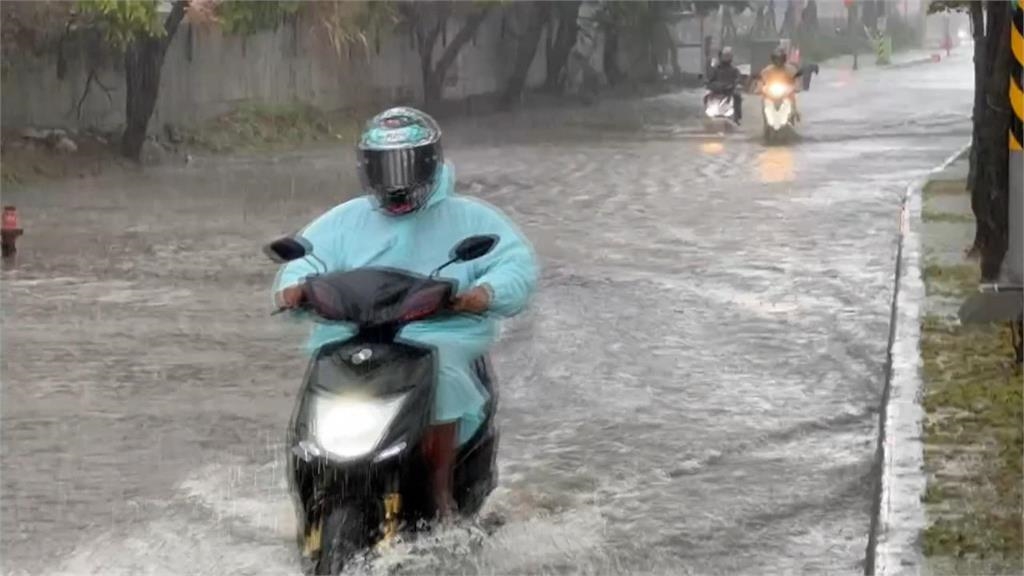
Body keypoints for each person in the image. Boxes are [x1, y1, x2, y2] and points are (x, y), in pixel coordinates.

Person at [273, 107, 538, 519]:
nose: (396, 180)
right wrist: (294, 289)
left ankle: (440, 493)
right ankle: (312, 485)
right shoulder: (343, 221)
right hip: (352, 337)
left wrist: (482, 294)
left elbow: (516, 265)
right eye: (384, 166)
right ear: (367, 169)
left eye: (406, 165)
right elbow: (307, 259)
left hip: (438, 335)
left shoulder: (471, 218)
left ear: (430, 162)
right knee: (319, 375)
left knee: (445, 369)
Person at [758, 47, 801, 122]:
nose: (778, 61)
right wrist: (760, 88)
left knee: (792, 97)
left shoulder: (790, 69)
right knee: (764, 101)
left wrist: (796, 87)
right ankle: (766, 122)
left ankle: (793, 112)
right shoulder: (767, 70)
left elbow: (796, 80)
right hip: (771, 93)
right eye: (776, 59)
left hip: (786, 92)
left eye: (780, 59)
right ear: (773, 60)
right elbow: (761, 81)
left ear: (784, 59)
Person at [706, 46, 743, 122]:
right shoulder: (716, 69)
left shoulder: (734, 70)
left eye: (728, 56)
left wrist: (734, 84)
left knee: (737, 96)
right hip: (717, 91)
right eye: (725, 56)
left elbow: (738, 79)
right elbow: (710, 78)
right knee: (706, 96)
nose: (726, 58)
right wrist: (708, 83)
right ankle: (708, 110)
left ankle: (737, 116)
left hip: (729, 91)